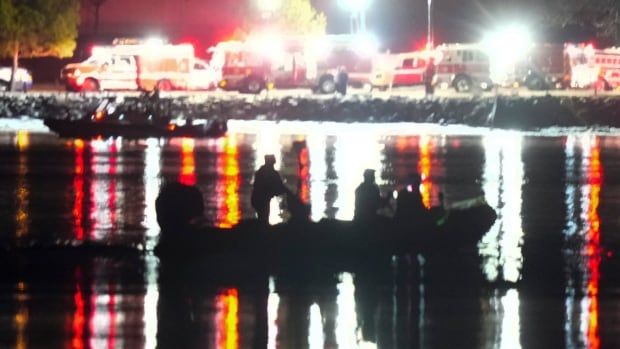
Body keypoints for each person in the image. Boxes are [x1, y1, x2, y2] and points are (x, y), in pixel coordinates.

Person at [251, 154, 287, 224]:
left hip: (258, 198)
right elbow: (280, 187)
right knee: (264, 216)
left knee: (262, 216)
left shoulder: (261, 172)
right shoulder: (271, 173)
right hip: (261, 199)